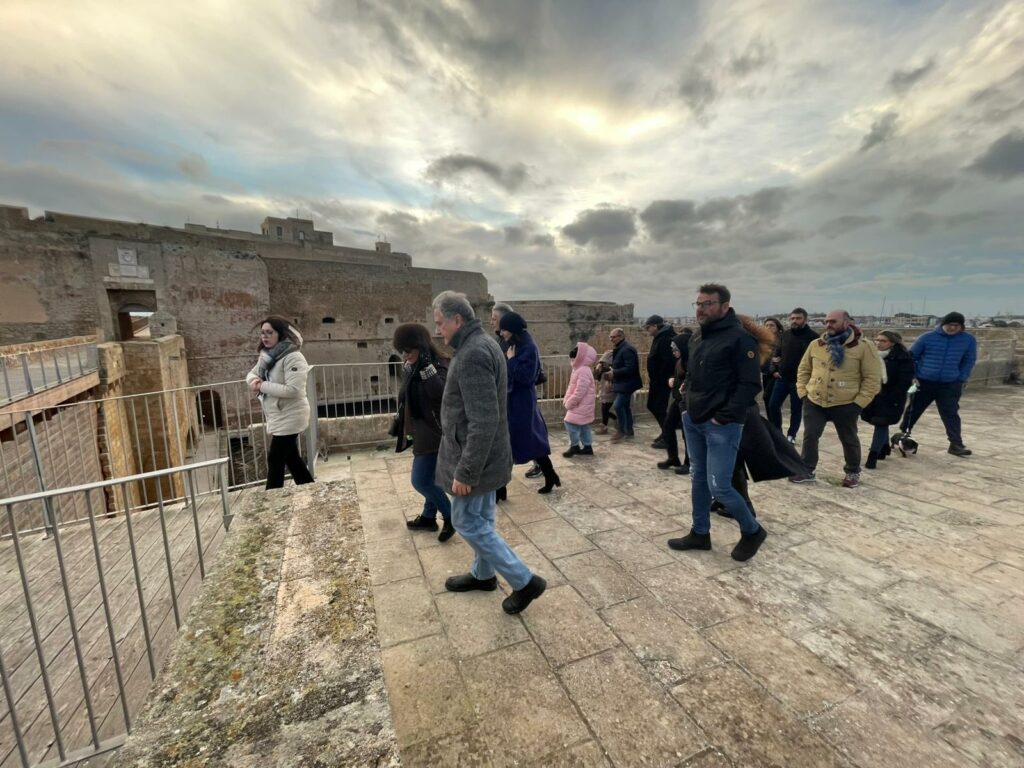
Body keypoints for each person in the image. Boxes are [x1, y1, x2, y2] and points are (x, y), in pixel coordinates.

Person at [432, 291, 546, 614]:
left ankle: (524, 581)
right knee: (481, 518)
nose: (437, 330)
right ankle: (483, 575)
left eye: (440, 323)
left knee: (465, 520)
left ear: (457, 320)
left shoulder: (472, 354)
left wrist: (466, 471)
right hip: (490, 454)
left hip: (477, 458)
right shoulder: (483, 343)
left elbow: (483, 419)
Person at [666, 284, 768, 562]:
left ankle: (752, 530)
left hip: (722, 423)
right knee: (698, 478)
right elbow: (693, 375)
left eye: (708, 303)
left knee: (720, 486)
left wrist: (723, 415)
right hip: (694, 418)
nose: (701, 309)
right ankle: (700, 532)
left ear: (725, 306)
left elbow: (750, 385)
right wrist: (685, 402)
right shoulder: (698, 337)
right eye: (698, 304)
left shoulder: (740, 339)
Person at [791, 310, 881, 488]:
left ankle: (852, 471)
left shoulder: (863, 346)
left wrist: (859, 403)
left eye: (833, 321)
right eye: (826, 321)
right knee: (810, 436)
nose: (828, 325)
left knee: (848, 438)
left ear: (847, 323)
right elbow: (803, 369)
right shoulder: (816, 344)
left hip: (846, 403)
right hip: (815, 400)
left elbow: (872, 378)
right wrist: (803, 392)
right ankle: (807, 469)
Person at [392, 323, 455, 542]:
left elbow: (441, 395)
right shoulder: (411, 366)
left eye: (408, 350)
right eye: (402, 350)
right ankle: (429, 517)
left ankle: (451, 516)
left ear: (420, 346)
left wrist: (427, 369)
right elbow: (406, 396)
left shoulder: (439, 364)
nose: (405, 354)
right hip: (419, 430)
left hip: (435, 432)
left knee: (420, 480)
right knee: (429, 477)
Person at [246, 316, 314, 490]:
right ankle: (310, 489)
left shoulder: (294, 357)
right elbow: (251, 374)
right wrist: (254, 381)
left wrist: (262, 385)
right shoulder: (267, 356)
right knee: (292, 459)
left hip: (291, 415)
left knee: (275, 459)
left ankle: (271, 499)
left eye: (269, 332)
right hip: (278, 414)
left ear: (280, 334)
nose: (264, 336)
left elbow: (294, 390)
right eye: (262, 332)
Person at [498, 312, 562, 493]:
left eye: (504, 329)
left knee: (528, 440)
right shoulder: (516, 343)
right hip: (514, 399)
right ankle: (501, 488)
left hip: (522, 401)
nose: (501, 333)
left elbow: (526, 377)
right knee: (511, 443)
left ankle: (549, 475)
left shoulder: (528, 347)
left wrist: (511, 360)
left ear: (512, 329)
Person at [903, 312, 977, 457]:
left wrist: (961, 378)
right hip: (924, 382)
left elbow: (969, 360)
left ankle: (956, 444)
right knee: (913, 410)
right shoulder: (927, 338)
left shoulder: (968, 340)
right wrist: (913, 376)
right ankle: (903, 436)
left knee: (951, 413)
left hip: (950, 383)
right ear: (943, 324)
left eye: (957, 325)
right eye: (950, 325)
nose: (953, 328)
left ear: (961, 326)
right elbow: (911, 357)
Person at [492, 301, 543, 482]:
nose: (492, 322)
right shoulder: (509, 340)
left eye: (495, 319)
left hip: (519, 396)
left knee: (526, 435)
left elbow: (525, 375)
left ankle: (502, 480)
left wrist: (511, 360)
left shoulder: (524, 345)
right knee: (523, 436)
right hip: (511, 395)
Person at [861, 330, 915, 469]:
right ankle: (884, 448)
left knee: (881, 424)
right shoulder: (872, 355)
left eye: (883, 341)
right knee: (880, 423)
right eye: (877, 340)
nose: (878, 343)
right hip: (874, 396)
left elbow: (904, 381)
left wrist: (892, 396)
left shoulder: (903, 358)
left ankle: (873, 456)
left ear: (892, 343)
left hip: (891, 398)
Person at [767, 308, 818, 442]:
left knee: (796, 409)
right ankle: (777, 433)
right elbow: (776, 354)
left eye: (798, 318)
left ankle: (791, 435)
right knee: (773, 405)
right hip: (782, 378)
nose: (794, 321)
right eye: (792, 318)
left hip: (800, 381)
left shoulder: (813, 337)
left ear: (805, 319)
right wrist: (774, 370)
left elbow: (816, 360)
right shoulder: (785, 335)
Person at [657, 329, 692, 473]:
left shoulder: (691, 362)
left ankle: (689, 463)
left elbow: (690, 381)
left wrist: (677, 382)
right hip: (678, 400)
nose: (673, 352)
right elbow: (677, 375)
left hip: (687, 402)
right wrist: (672, 379)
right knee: (668, 426)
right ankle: (673, 457)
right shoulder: (680, 361)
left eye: (675, 349)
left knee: (687, 433)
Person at [644, 315, 676, 449]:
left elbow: (667, 362)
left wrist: (660, 378)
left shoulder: (664, 339)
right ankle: (665, 432)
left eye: (648, 327)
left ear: (655, 326)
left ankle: (668, 437)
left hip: (661, 381)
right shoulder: (660, 337)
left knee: (658, 408)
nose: (647, 330)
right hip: (657, 380)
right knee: (653, 406)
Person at [606, 328, 643, 443]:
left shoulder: (627, 349)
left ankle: (621, 430)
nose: (611, 339)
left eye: (613, 337)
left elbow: (630, 368)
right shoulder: (621, 348)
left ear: (621, 337)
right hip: (622, 383)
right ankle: (629, 430)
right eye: (610, 337)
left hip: (628, 383)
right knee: (625, 407)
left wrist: (614, 372)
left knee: (618, 405)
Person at [562, 342, 597, 457]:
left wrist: (570, 402)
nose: (572, 360)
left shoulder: (583, 370)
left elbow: (580, 391)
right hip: (582, 403)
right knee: (583, 424)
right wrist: (567, 398)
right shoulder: (580, 369)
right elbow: (572, 387)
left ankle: (575, 446)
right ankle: (587, 447)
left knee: (569, 422)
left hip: (581, 403)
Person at [593, 349, 617, 434]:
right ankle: (613, 420)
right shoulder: (601, 368)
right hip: (603, 391)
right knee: (604, 409)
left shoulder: (611, 369)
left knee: (605, 409)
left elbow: (611, 379)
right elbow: (596, 376)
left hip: (610, 391)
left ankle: (605, 426)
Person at [761, 317, 783, 413]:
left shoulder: (781, 340)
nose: (769, 327)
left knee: (769, 398)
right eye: (766, 325)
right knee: (767, 400)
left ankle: (774, 422)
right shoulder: (763, 340)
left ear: (778, 327)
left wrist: (777, 369)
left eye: (772, 325)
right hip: (765, 373)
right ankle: (771, 421)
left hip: (775, 374)